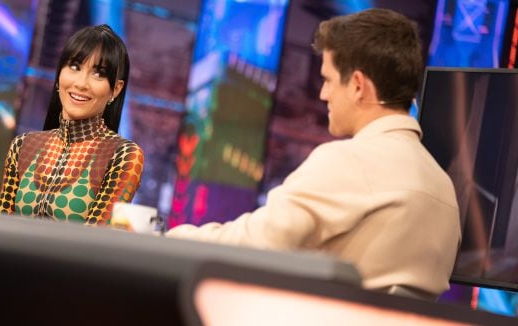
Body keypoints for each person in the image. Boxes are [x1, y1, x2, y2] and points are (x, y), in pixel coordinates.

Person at [166, 8, 461, 298]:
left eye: (328, 79)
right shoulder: (445, 189)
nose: (323, 94)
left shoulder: (349, 161)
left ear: (358, 85)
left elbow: (255, 244)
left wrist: (169, 238)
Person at [0, 25, 144, 225]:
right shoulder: (22, 146)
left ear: (115, 90)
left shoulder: (124, 155)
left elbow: (93, 241)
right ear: (59, 75)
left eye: (99, 73)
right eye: (74, 67)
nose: (81, 83)